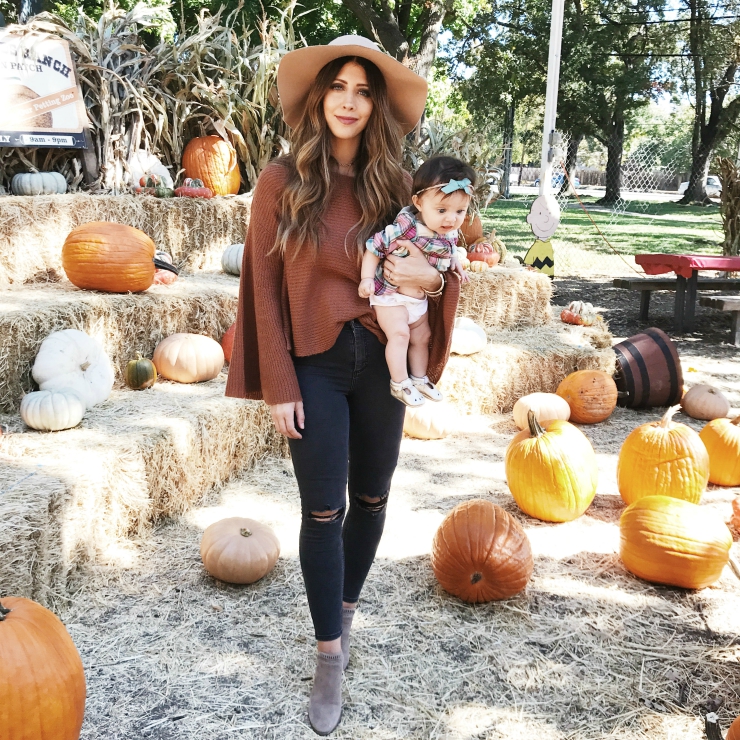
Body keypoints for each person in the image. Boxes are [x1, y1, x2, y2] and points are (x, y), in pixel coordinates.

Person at [225, 35, 460, 736]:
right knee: (323, 509)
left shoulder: (397, 185)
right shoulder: (280, 182)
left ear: (375, 103)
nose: (350, 101)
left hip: (382, 361)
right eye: (339, 87)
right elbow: (262, 287)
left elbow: (444, 253)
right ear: (319, 97)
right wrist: (278, 382)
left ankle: (346, 611)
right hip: (316, 365)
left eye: (363, 90)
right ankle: (330, 654)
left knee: (374, 497)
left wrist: (439, 279)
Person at [359, 156, 475, 406]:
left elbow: (451, 246)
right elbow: (373, 247)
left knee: (423, 337)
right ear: (418, 203)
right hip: (390, 299)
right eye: (442, 210)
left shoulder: (448, 230)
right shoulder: (405, 229)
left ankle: (420, 378)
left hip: (417, 299)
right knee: (400, 335)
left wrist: (455, 261)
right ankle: (399, 382)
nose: (451, 219)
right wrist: (367, 278)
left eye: (460, 211)